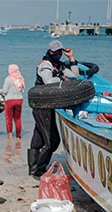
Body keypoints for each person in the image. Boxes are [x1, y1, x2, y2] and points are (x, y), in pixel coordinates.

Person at [28, 40, 79, 176]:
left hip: (48, 104)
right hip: (42, 104)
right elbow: (48, 82)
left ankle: (33, 169)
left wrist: (71, 58)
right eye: (54, 52)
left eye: (59, 52)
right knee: (52, 141)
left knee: (38, 137)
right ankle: (39, 169)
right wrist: (61, 78)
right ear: (49, 51)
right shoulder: (45, 65)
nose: (57, 54)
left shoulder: (59, 65)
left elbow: (75, 75)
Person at [0, 64, 25, 139]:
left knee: (9, 119)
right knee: (18, 119)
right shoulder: (20, 78)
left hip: (10, 101)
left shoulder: (8, 79)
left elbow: (4, 91)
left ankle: (9, 136)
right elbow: (22, 90)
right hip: (19, 100)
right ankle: (18, 136)